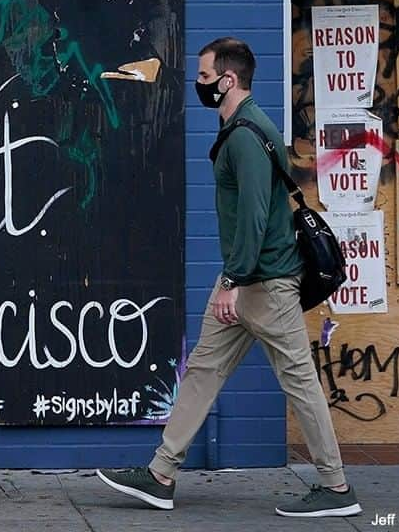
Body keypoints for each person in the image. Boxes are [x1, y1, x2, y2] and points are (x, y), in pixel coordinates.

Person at [95, 37, 361, 518]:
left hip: (267, 282)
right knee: (202, 369)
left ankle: (336, 487)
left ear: (228, 80)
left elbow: (256, 216)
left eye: (203, 77)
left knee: (298, 379)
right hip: (245, 278)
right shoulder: (245, 127)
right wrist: (231, 280)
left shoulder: (245, 134)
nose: (198, 85)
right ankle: (161, 474)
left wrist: (234, 281)